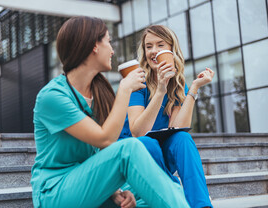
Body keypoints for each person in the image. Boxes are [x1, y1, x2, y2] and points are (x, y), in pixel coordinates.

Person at [31, 17, 190, 208]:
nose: (112, 50)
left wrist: (116, 191)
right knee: (130, 149)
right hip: (55, 191)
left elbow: (99, 153)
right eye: (108, 41)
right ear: (94, 47)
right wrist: (125, 89)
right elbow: (105, 139)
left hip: (90, 182)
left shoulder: (98, 92)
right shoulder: (52, 97)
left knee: (157, 193)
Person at [119, 25, 214, 208]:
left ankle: (201, 205)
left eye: (160, 45)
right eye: (149, 46)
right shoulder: (137, 81)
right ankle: (172, 193)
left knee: (183, 139)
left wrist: (193, 88)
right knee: (148, 142)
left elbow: (178, 127)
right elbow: (139, 132)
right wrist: (160, 90)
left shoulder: (177, 83)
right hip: (136, 156)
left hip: (160, 157)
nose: (154, 51)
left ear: (171, 49)